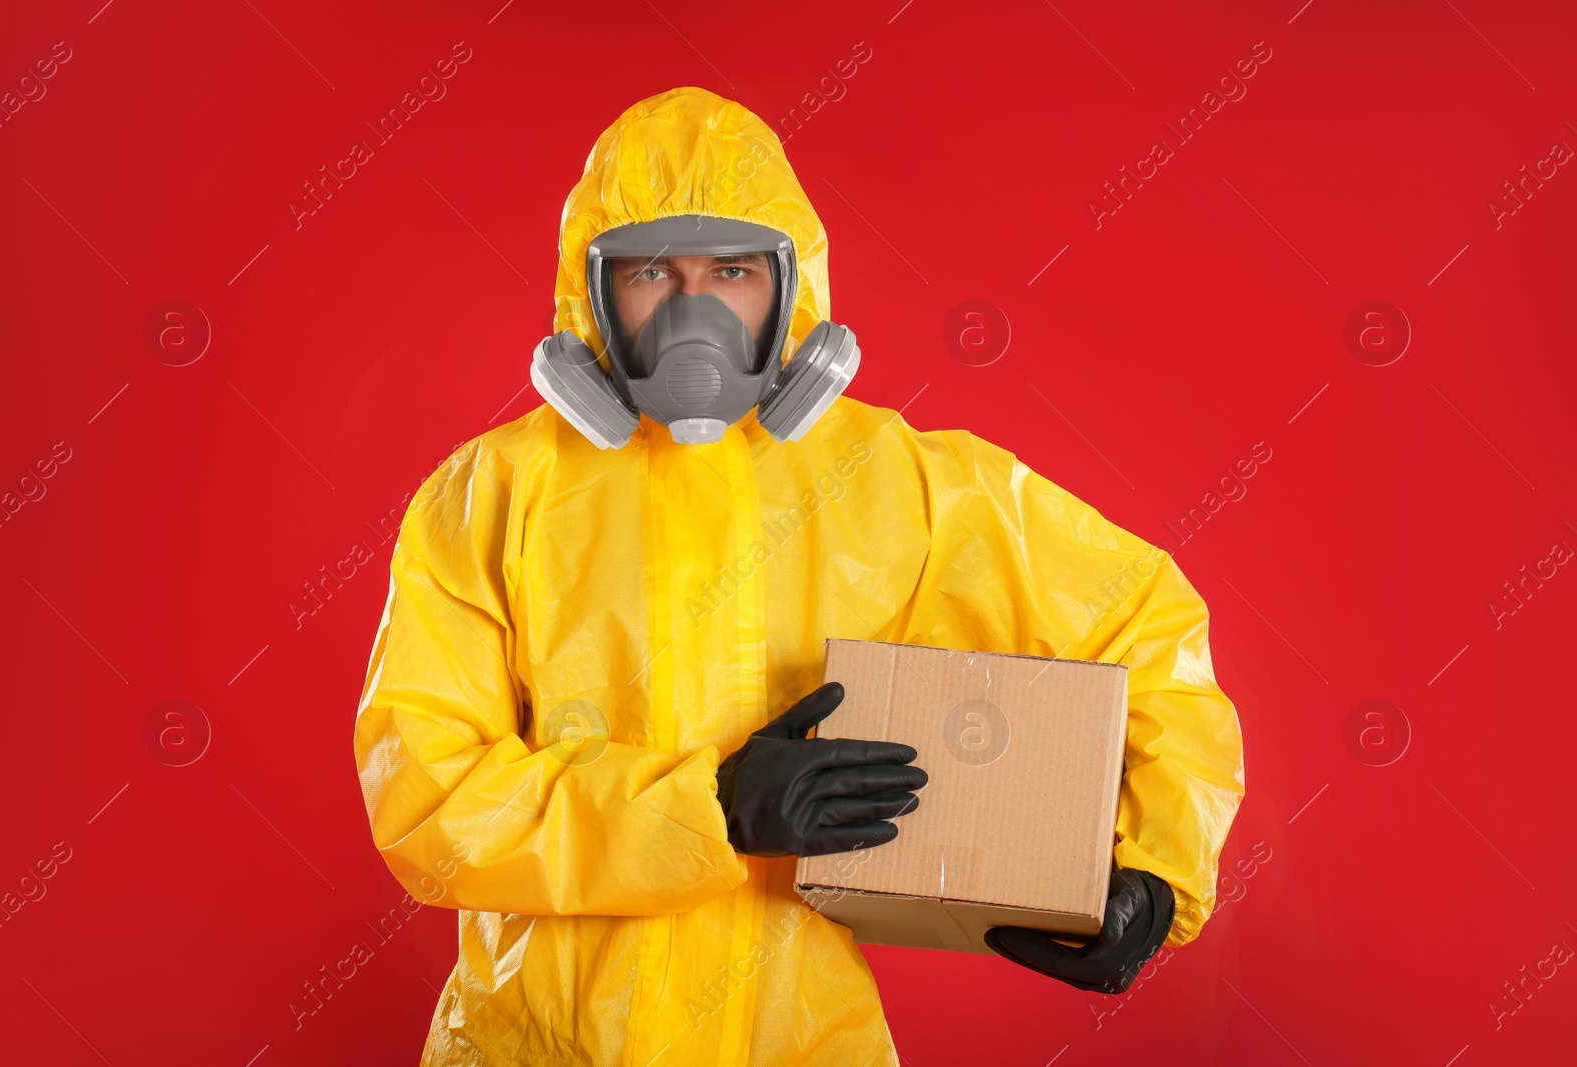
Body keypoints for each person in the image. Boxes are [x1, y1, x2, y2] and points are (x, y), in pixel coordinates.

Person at [353, 86, 1244, 1067]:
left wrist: (1151, 870)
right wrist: (710, 807)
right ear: (592, 291)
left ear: (791, 286)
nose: (694, 310)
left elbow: (1143, 623)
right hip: (537, 1041)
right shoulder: (487, 496)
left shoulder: (895, 484)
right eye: (652, 270)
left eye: (731, 269)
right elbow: (427, 798)